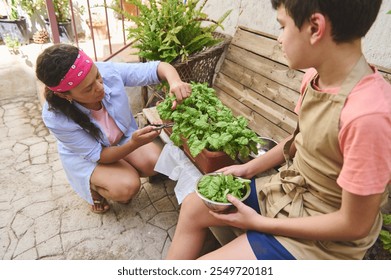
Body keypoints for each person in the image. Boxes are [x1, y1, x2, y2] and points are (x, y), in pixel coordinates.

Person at [166, 0, 391, 260]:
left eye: (282, 26)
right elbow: (299, 139)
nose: (279, 38)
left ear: (315, 27)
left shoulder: (368, 116)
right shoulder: (314, 78)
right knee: (194, 205)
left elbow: (354, 225)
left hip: (324, 241)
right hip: (285, 194)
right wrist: (247, 169)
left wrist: (260, 224)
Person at [36, 44, 191, 214]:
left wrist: (175, 82)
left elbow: (158, 68)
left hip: (120, 139)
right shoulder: (55, 117)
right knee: (126, 188)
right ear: (65, 95)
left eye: (97, 76)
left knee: (155, 162)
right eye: (88, 88)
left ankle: (121, 168)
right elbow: (100, 155)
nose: (100, 86)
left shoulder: (108, 71)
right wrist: (133, 144)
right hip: (89, 158)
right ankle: (93, 186)